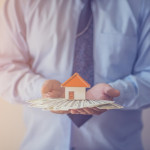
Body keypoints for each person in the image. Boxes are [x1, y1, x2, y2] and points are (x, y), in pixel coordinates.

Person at [0, 0, 150, 150]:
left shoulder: (142, 5)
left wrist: (117, 93)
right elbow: (5, 69)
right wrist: (42, 89)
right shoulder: (20, 4)